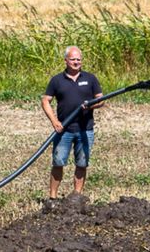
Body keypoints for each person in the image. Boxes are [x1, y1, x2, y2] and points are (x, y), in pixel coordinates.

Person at [41, 46, 103, 199]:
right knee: (58, 162)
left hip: (85, 129)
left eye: (78, 59)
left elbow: (101, 99)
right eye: (73, 59)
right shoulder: (57, 80)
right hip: (64, 130)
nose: (76, 62)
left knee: (82, 164)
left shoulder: (90, 78)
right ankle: (53, 198)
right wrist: (55, 122)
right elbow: (45, 101)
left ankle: (76, 197)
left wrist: (90, 104)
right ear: (66, 61)